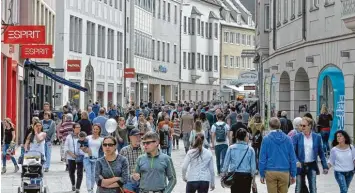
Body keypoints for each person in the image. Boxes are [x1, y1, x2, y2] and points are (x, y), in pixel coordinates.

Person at [259, 117, 297, 193]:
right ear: (280, 125)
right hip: (284, 171)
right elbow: (292, 158)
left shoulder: (266, 139)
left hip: (270, 171)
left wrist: (262, 174)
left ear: (270, 126)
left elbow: (262, 158)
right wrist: (293, 174)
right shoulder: (288, 139)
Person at [292, 117, 329, 193]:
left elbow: (321, 153)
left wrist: (325, 166)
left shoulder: (317, 137)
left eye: (304, 126)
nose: (302, 127)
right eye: (301, 125)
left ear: (310, 126)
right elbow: (293, 152)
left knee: (313, 188)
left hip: (312, 165)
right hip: (300, 165)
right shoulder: (297, 137)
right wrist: (296, 161)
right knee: (298, 188)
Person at [222, 128, 256, 193]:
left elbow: (226, 164)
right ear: (245, 137)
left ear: (236, 137)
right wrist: (253, 181)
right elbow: (253, 167)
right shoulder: (250, 149)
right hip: (246, 176)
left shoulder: (231, 148)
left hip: (234, 176)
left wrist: (224, 176)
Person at [81, 124, 104, 193]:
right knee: (88, 174)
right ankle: (89, 190)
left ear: (99, 130)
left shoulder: (101, 139)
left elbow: (104, 149)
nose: (95, 130)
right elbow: (82, 147)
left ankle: (91, 187)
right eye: (94, 129)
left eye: (97, 129)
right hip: (87, 157)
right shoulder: (88, 138)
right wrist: (86, 150)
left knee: (94, 174)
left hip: (96, 159)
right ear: (92, 129)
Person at [120, 129, 144, 193]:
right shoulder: (124, 150)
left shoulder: (144, 150)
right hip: (128, 181)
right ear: (130, 137)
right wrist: (131, 176)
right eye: (136, 136)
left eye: (139, 136)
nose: (138, 138)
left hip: (142, 181)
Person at [64, 123, 84, 193]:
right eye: (77, 127)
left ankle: (78, 188)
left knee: (80, 173)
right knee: (71, 172)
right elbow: (66, 147)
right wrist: (71, 154)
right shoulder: (69, 137)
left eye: (79, 127)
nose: (78, 129)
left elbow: (86, 145)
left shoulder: (82, 136)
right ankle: (73, 184)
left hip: (80, 157)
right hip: (71, 157)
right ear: (73, 128)